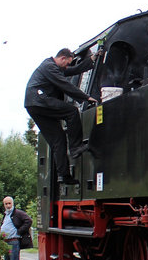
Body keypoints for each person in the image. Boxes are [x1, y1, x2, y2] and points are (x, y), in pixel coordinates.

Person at [24, 48, 98, 184]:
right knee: (72, 112)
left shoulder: (53, 67)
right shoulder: (49, 67)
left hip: (34, 105)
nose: (67, 66)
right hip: (40, 100)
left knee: (58, 139)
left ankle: (64, 175)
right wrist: (86, 97)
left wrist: (91, 61)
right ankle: (75, 147)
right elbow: (65, 84)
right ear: (63, 58)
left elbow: (73, 70)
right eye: (67, 63)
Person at [0, 196, 32, 260]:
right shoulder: (6, 214)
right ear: (4, 204)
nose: (8, 205)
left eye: (9, 203)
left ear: (12, 203)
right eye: (6, 204)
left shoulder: (18, 213)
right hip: (6, 241)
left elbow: (28, 221)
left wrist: (19, 231)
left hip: (13, 241)